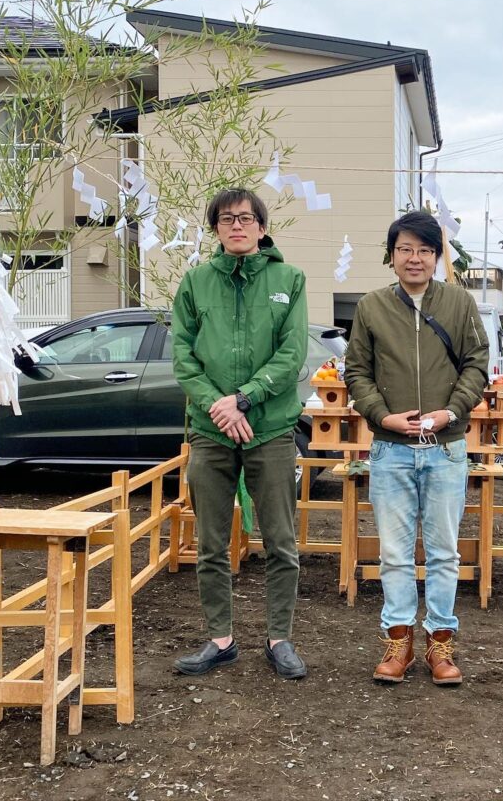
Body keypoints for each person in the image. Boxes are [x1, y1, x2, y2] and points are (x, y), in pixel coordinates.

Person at [344, 210, 489, 686]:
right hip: (390, 448)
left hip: (446, 447)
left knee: (445, 552)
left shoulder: (459, 304)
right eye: (405, 249)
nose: (415, 258)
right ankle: (398, 641)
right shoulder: (371, 307)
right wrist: (381, 416)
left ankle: (441, 645)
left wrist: (451, 412)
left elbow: (476, 365)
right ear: (391, 256)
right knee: (394, 553)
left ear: (437, 255)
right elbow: (357, 373)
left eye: (425, 250)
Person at [171, 187, 308, 680]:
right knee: (210, 540)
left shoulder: (288, 280)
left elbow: (292, 353)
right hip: (211, 429)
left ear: (262, 227)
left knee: (280, 539)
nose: (236, 226)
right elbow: (183, 356)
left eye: (246, 218)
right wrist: (218, 406)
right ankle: (220, 638)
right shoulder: (195, 283)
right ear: (215, 228)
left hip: (270, 427)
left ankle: (279, 637)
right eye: (226, 219)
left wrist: (245, 398)